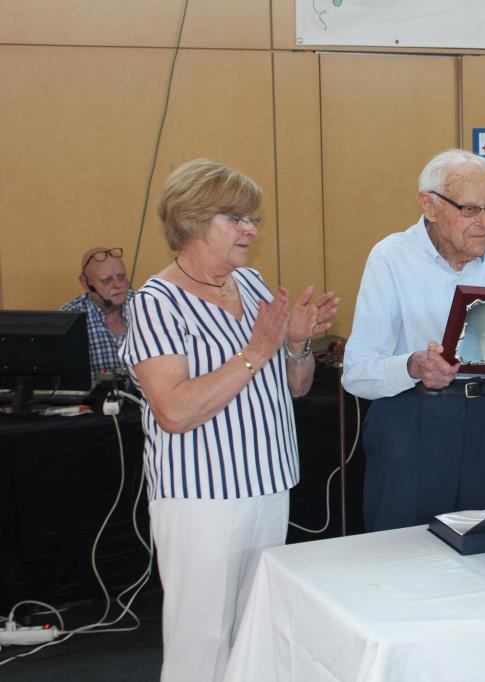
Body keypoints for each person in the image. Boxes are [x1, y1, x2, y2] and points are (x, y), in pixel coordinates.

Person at [120, 159, 339, 682]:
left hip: (268, 485)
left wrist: (295, 344)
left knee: (256, 634)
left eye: (253, 219)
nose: (250, 230)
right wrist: (256, 351)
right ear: (192, 220)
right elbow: (172, 411)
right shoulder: (156, 304)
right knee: (203, 641)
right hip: (201, 499)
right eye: (235, 218)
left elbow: (298, 386)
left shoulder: (254, 283)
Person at [343, 149, 485, 532]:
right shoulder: (391, 258)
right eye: (470, 210)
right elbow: (356, 373)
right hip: (411, 421)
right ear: (428, 205)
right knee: (402, 551)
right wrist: (413, 365)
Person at [60, 246, 133, 381]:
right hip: (92, 400)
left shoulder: (146, 308)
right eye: (106, 280)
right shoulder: (68, 318)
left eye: (121, 277)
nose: (117, 285)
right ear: (86, 283)